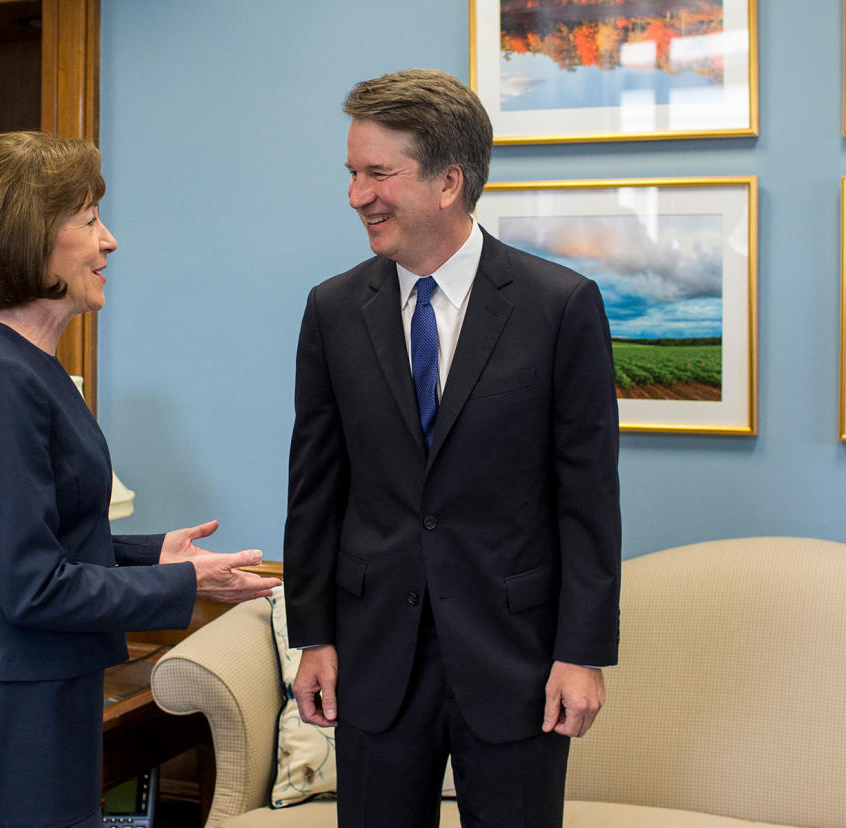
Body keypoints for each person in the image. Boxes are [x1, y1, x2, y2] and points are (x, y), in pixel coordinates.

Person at [0, 131, 280, 828]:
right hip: (1, 712)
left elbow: (38, 535)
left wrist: (153, 552)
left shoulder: (14, 361)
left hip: (35, 692)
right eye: (91, 219)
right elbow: (32, 585)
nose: (111, 242)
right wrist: (190, 584)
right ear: (29, 239)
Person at [284, 69, 621, 827]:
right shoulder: (332, 310)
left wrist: (582, 653)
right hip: (374, 662)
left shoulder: (560, 307)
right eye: (351, 173)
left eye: (377, 174)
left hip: (517, 664)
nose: (356, 195)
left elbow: (588, 498)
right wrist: (313, 637)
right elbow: (315, 487)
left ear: (448, 182)